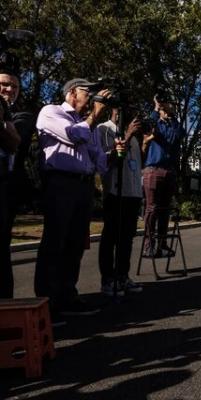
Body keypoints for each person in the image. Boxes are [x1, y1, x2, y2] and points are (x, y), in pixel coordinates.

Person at [35, 78, 111, 320]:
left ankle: (68, 295)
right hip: (61, 182)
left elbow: (99, 159)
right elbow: (71, 135)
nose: (91, 97)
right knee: (55, 241)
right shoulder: (52, 112)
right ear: (71, 93)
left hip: (83, 184)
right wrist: (94, 117)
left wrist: (111, 153)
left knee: (75, 243)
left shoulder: (88, 123)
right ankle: (47, 302)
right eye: (87, 91)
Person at [97, 109, 144, 296]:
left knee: (126, 239)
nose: (124, 113)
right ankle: (108, 280)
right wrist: (128, 134)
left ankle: (122, 276)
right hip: (115, 192)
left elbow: (137, 165)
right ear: (112, 111)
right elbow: (108, 161)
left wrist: (142, 141)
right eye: (119, 109)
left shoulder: (134, 136)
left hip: (133, 192)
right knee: (110, 238)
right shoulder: (104, 129)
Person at [142, 94, 185, 257]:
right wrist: (156, 108)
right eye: (167, 103)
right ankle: (149, 245)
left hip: (169, 171)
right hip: (153, 169)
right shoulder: (155, 123)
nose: (170, 106)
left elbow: (178, 135)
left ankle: (162, 244)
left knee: (165, 210)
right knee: (152, 208)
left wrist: (171, 116)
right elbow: (147, 127)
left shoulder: (174, 124)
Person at [0, 70, 20, 299]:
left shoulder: (16, 115)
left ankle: (7, 306)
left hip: (6, 186)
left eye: (14, 86)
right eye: (4, 84)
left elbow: (14, 142)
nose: (9, 90)